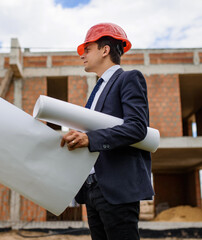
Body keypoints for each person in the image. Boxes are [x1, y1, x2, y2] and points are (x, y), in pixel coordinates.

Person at [60, 23, 155, 240]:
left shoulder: (129, 78)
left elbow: (136, 127)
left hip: (117, 188)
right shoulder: (96, 91)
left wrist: (89, 138)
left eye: (88, 49)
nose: (82, 55)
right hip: (93, 188)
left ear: (105, 50)